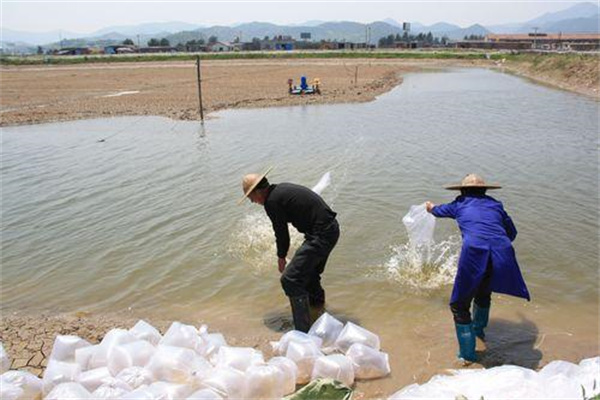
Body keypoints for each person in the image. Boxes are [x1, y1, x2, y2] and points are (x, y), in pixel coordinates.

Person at [425, 173, 530, 363]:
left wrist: (430, 207)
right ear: (484, 190)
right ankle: (479, 331)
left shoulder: (460, 204)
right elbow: (512, 233)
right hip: (502, 251)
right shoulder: (496, 205)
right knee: (483, 292)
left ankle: (467, 355)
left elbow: (438, 210)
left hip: (474, 252)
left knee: (458, 305)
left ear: (463, 191)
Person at [239, 167, 340, 332]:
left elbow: (281, 233)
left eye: (251, 198)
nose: (253, 202)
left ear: (258, 192)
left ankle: (303, 331)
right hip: (329, 230)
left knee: (290, 279)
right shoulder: (280, 190)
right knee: (310, 276)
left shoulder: (272, 201)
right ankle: (319, 316)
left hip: (321, 234)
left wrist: (281, 257)